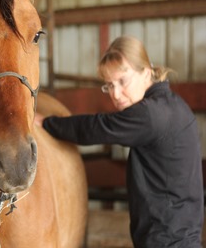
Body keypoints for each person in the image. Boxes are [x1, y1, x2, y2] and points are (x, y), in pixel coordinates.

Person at [37, 36, 204, 247]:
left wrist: (48, 123)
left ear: (146, 72)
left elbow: (97, 128)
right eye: (109, 85)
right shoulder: (173, 105)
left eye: (123, 81)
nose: (116, 94)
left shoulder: (151, 115)